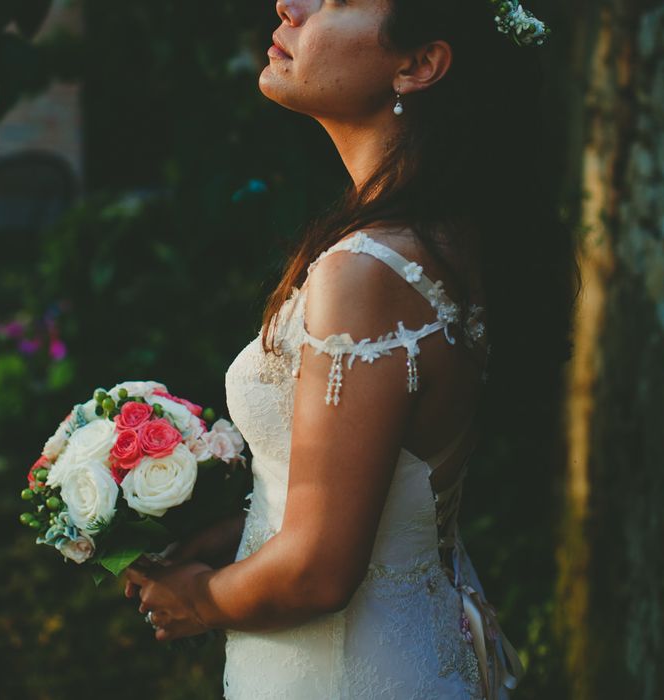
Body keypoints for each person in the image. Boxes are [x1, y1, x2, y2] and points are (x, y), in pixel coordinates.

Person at [124, 1, 574, 698]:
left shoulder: (367, 270)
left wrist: (200, 598)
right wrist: (234, 532)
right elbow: (390, 495)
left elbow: (319, 571)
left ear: (419, 64)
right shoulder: (444, 235)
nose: (289, 6)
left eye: (337, 0)